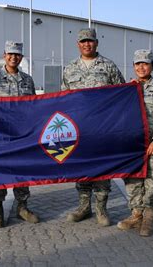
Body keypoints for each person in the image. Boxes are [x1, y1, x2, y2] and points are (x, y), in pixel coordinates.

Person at [62, 28, 125, 227]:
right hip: (79, 130)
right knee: (81, 167)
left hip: (102, 129)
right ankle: (83, 207)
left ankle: (101, 208)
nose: (87, 44)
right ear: (78, 44)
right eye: (83, 41)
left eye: (90, 41)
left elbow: (121, 93)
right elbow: (64, 99)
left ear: (96, 43)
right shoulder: (70, 68)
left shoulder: (108, 66)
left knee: (102, 167)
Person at [0, 41, 40, 228]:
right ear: (4, 55)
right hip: (0, 136)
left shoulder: (28, 80)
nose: (14, 57)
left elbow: (33, 107)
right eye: (10, 54)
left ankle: (22, 207)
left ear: (21, 57)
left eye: (17, 55)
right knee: (1, 171)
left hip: (21, 135)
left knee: (22, 169)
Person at [117, 49, 153, 236]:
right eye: (137, 64)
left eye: (145, 63)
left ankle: (148, 216)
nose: (141, 67)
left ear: (152, 66)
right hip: (132, 144)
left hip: (152, 143)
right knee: (132, 179)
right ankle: (136, 213)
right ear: (133, 67)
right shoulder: (128, 88)